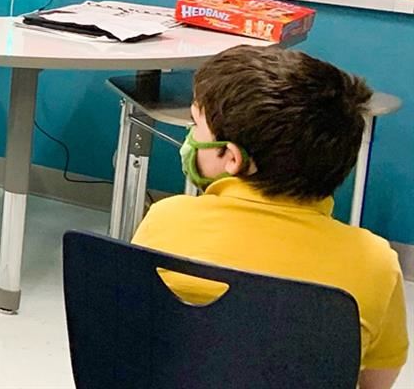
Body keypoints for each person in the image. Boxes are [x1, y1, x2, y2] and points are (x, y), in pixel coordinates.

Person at [133, 46, 403, 389]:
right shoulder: (375, 262)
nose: (190, 139)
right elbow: (376, 382)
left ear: (232, 158)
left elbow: (133, 343)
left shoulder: (166, 219)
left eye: (195, 125)